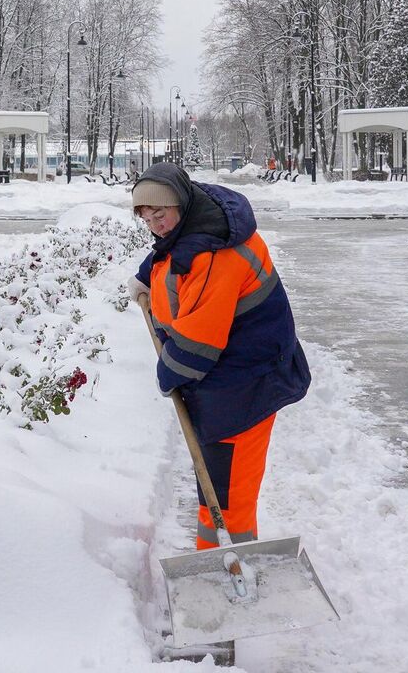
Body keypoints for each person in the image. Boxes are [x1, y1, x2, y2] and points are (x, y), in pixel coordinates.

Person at [128, 163, 310, 552]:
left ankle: (232, 563)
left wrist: (168, 375)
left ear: (181, 202)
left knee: (228, 494)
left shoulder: (215, 255)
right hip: (229, 378)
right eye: (146, 217)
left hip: (244, 387)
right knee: (216, 479)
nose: (155, 225)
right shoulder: (200, 221)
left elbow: (198, 346)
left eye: (160, 214)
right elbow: (168, 253)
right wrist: (147, 275)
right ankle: (215, 556)